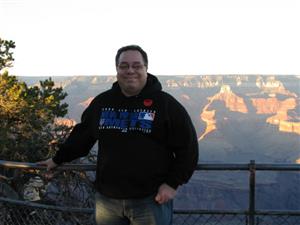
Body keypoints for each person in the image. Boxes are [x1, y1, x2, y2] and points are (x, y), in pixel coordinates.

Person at [38, 45, 199, 225]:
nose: (130, 71)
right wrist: (57, 160)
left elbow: (189, 148)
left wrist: (172, 183)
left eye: (137, 66)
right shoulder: (102, 102)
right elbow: (81, 137)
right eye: (124, 66)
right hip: (107, 202)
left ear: (146, 68)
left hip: (151, 200)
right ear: (117, 70)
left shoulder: (166, 105)